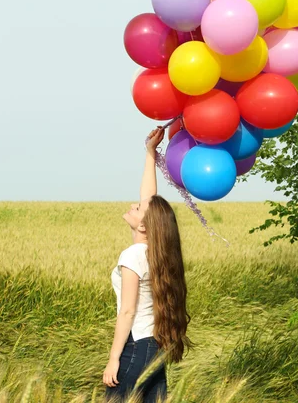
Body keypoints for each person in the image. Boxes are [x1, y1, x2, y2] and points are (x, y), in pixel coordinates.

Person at [103, 127, 191, 402]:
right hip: (155, 346)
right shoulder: (157, 254)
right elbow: (149, 199)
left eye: (138, 208)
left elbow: (127, 312)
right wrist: (150, 153)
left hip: (135, 347)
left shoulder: (132, 256)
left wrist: (114, 358)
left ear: (144, 225)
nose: (133, 204)